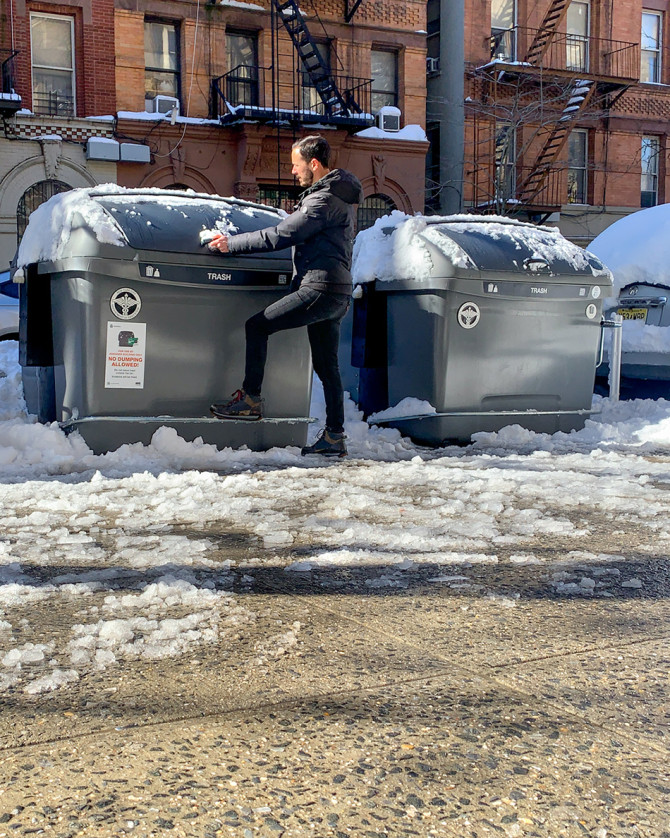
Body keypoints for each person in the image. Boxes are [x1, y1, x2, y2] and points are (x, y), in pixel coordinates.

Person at [208, 135, 363, 458]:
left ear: (314, 164)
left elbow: (282, 234)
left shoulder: (323, 201)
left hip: (319, 288)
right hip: (337, 291)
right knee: (326, 366)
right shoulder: (339, 197)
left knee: (257, 326)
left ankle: (250, 400)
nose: (293, 171)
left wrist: (231, 244)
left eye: (296, 164)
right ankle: (334, 437)